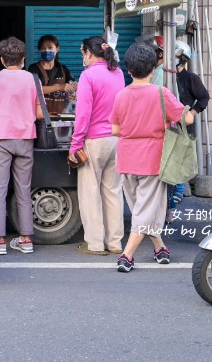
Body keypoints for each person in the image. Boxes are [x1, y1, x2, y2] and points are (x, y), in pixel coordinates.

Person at [111, 44, 194, 272]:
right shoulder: (161, 93)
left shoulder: (121, 95)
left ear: (128, 70)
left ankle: (160, 248)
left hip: (126, 159)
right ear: (152, 70)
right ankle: (127, 256)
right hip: (152, 159)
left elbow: (115, 130)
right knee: (145, 210)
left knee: (142, 208)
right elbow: (187, 120)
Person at [0, 37, 40, 255]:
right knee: (24, 190)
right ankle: (25, 239)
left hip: (1, 138)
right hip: (25, 138)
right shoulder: (33, 79)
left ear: (2, 59)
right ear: (23, 59)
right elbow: (38, 110)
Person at [68, 35, 126, 256]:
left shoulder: (88, 75)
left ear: (89, 53)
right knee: (113, 192)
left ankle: (94, 244)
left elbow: (83, 115)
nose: (83, 57)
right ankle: (115, 243)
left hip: (94, 141)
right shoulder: (118, 73)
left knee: (90, 193)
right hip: (116, 139)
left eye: (83, 53)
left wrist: (75, 145)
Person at [167, 40, 210, 207]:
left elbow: (204, 97)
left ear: (182, 59)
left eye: (175, 56)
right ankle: (171, 195)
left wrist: (192, 113)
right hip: (167, 125)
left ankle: (177, 193)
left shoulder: (190, 78)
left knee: (177, 161)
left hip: (183, 125)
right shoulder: (165, 75)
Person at [27, 34, 75, 115]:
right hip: (40, 117)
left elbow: (72, 86)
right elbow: (34, 90)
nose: (46, 51)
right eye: (43, 48)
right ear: (39, 50)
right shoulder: (34, 69)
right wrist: (59, 87)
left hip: (60, 117)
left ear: (57, 49)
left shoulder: (63, 69)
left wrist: (72, 92)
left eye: (50, 48)